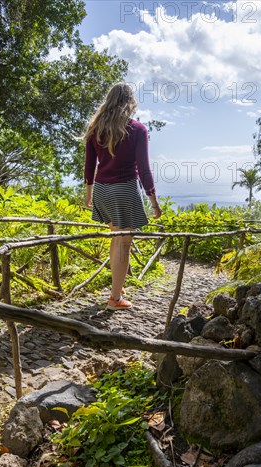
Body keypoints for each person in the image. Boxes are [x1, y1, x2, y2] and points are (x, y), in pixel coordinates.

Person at [84, 81, 162, 310]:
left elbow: (89, 166)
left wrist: (88, 195)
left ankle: (117, 286)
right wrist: (154, 202)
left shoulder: (96, 128)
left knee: (116, 239)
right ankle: (115, 299)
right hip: (124, 190)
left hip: (102, 190)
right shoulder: (137, 129)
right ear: (130, 102)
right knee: (124, 244)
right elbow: (144, 169)